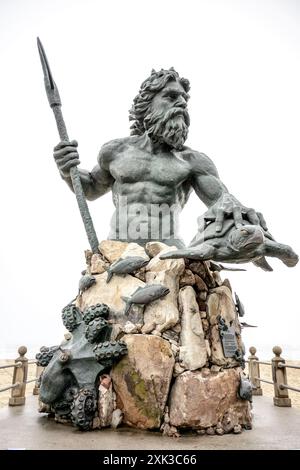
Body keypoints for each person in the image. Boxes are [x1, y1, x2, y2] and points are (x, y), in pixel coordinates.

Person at [53, 68, 267, 248]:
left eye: (184, 99)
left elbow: (222, 201)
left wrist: (240, 212)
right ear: (147, 104)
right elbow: (90, 188)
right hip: (117, 252)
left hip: (168, 255)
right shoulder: (115, 151)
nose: (182, 103)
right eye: (172, 97)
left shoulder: (193, 162)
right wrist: (66, 170)